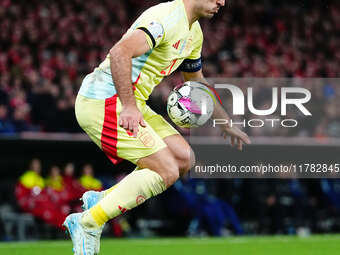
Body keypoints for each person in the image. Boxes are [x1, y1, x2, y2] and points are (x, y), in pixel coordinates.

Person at [64, 1, 251, 254]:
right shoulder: (165, 18)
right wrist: (129, 107)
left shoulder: (194, 33)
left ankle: (102, 200)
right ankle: (88, 222)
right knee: (166, 170)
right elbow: (120, 53)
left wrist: (224, 123)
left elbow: (196, 81)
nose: (222, 2)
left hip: (132, 102)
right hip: (104, 101)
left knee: (184, 159)